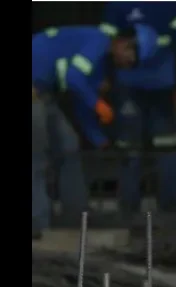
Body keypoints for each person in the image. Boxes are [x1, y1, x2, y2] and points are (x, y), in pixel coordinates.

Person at [32, 24, 159, 239]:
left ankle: (77, 216)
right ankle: (37, 223)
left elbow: (80, 103)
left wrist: (100, 140)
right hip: (34, 92)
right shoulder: (99, 41)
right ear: (124, 43)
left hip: (44, 94)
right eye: (132, 57)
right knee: (37, 155)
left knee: (69, 146)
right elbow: (74, 79)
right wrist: (97, 104)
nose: (129, 64)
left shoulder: (99, 62)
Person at [100, 2, 176, 216]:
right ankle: (148, 209)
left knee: (151, 147)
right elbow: (105, 41)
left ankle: (152, 209)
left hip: (153, 84)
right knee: (145, 147)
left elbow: (106, 42)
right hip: (142, 82)